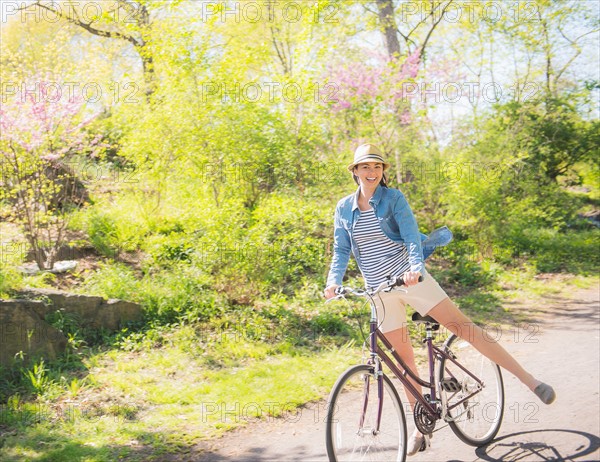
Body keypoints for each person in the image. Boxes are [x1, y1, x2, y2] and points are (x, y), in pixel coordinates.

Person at [324, 143, 556, 456]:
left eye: (377, 167)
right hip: (377, 290)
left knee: (465, 329)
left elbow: (410, 237)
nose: (372, 172)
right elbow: (341, 250)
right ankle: (420, 426)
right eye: (365, 167)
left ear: (382, 172)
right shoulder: (344, 208)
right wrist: (332, 282)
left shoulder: (393, 199)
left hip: (409, 279)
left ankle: (530, 381)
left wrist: (416, 269)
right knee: (403, 361)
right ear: (354, 171)